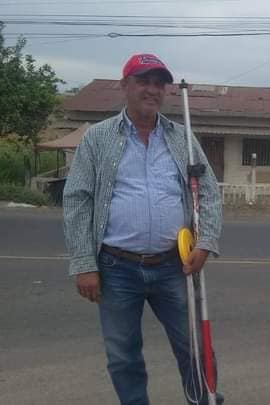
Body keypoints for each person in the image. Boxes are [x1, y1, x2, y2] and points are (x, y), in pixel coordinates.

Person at [63, 53, 223, 405]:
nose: (152, 90)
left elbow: (209, 192)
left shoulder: (182, 137)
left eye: (159, 83)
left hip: (174, 266)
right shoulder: (98, 138)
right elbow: (77, 200)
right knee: (123, 356)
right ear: (125, 86)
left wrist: (207, 241)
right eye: (143, 81)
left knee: (196, 348)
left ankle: (205, 400)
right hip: (116, 267)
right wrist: (84, 263)